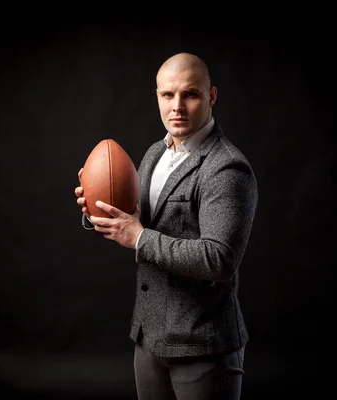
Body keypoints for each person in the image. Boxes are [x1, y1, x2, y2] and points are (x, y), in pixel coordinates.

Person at [75, 52, 258, 400]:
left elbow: (219, 260)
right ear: (157, 96)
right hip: (149, 339)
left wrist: (139, 237)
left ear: (211, 96)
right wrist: (96, 209)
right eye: (167, 94)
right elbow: (134, 223)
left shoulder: (226, 168)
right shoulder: (153, 156)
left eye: (189, 94)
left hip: (203, 344)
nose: (177, 106)